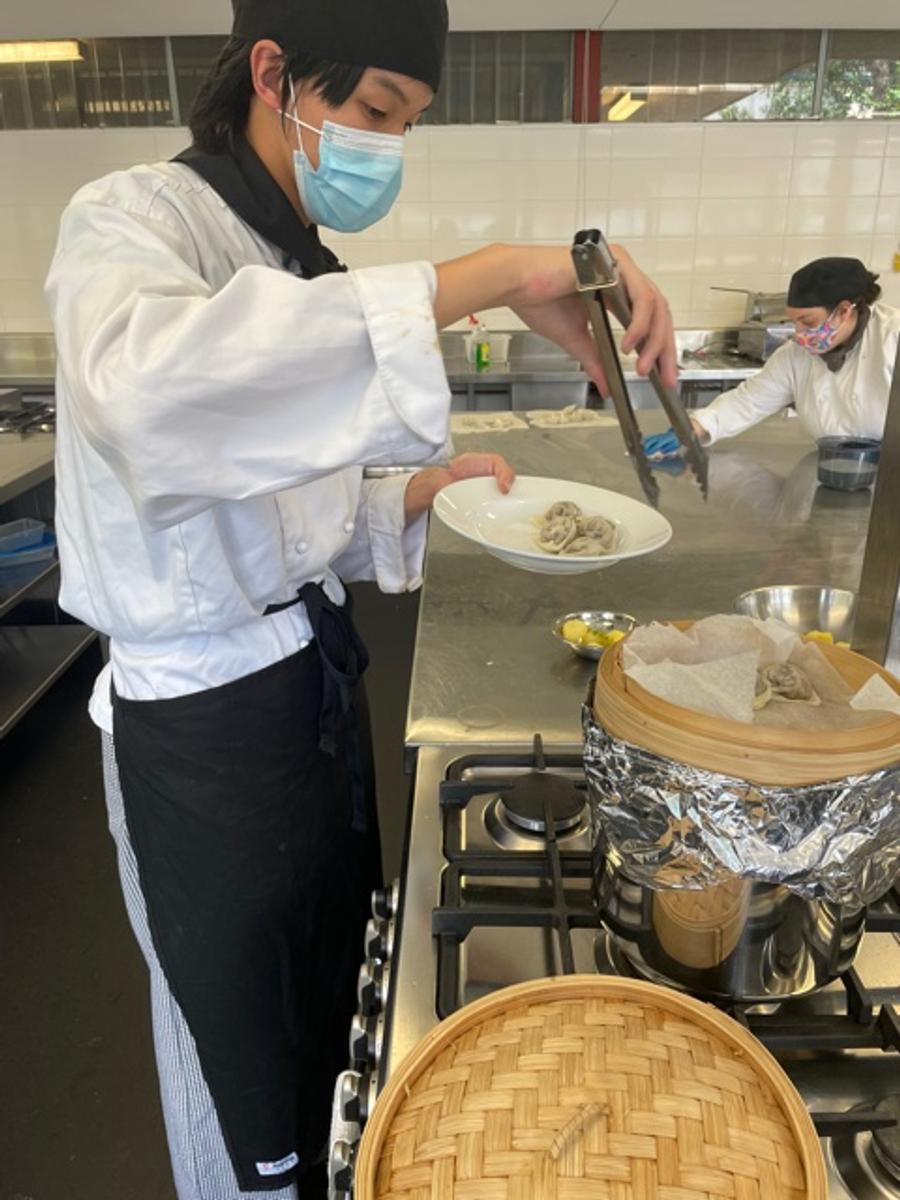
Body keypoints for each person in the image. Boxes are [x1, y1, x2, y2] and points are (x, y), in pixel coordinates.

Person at [44, 1, 675, 1197]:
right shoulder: (135, 218)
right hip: (200, 731)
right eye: (378, 109)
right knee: (242, 1082)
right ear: (273, 72)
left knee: (335, 1018)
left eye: (409, 122)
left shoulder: (295, 260)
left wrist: (407, 499)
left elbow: (279, 520)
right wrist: (493, 273)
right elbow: (152, 403)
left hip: (308, 693)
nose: (389, 145)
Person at [645, 257, 900, 458]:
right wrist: (692, 428)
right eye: (793, 322)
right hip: (832, 469)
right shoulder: (795, 355)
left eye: (808, 322)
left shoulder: (892, 338)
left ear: (844, 311)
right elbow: (749, 401)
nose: (799, 333)